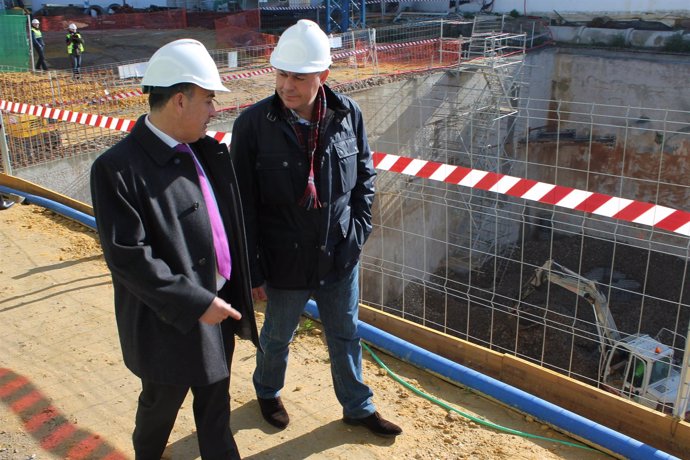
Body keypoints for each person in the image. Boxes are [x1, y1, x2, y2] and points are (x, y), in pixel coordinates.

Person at [230, 19, 402, 438]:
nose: (287, 85)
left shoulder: (347, 115)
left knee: (346, 335)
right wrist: (253, 269)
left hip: (338, 254)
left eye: (298, 77)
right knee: (276, 337)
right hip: (283, 259)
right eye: (281, 74)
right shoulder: (253, 125)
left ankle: (358, 407)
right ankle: (268, 392)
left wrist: (357, 233)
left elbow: (364, 177)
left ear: (322, 76)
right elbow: (241, 205)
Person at [90, 38, 259, 459]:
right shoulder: (118, 169)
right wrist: (194, 302)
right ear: (180, 101)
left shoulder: (205, 151)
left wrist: (243, 280)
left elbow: (226, 226)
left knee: (216, 404)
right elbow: (128, 258)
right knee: (160, 406)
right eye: (208, 100)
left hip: (217, 305)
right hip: (167, 321)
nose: (215, 110)